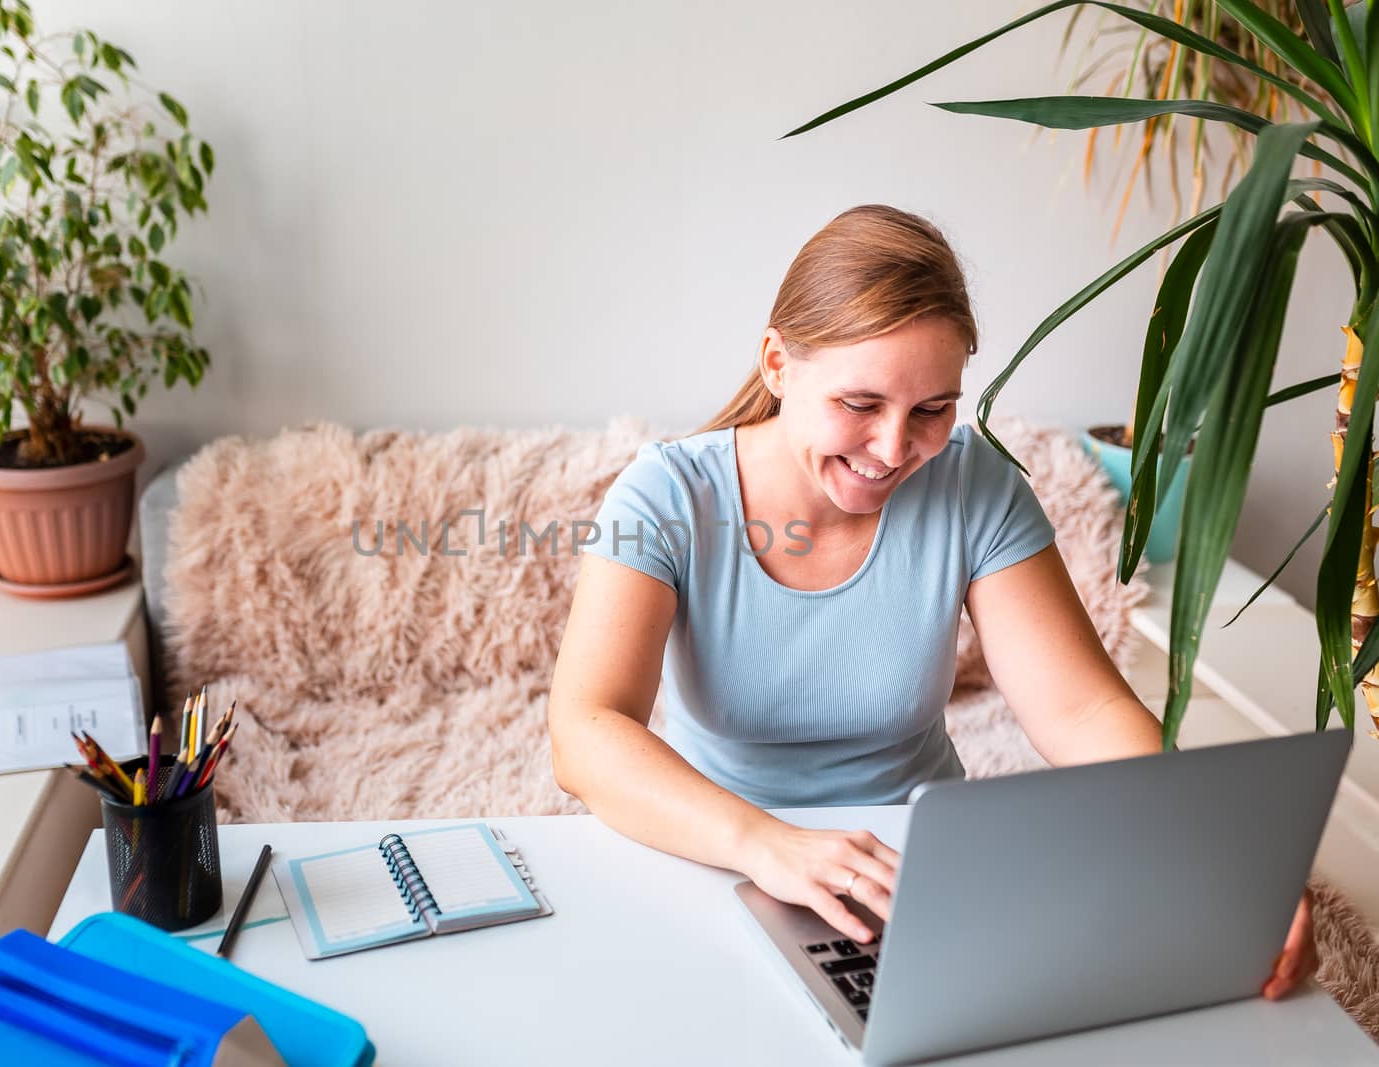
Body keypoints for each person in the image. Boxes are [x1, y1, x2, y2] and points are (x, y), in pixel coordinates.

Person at [546, 204, 1317, 1001]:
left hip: (920, 878)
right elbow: (586, 730)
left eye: (931, 410)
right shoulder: (666, 497)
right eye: (860, 404)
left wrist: (1220, 848)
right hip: (714, 855)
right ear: (778, 363)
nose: (892, 451)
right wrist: (767, 843)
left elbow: (1082, 711)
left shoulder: (973, 485)